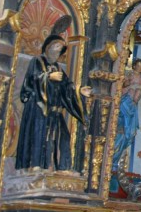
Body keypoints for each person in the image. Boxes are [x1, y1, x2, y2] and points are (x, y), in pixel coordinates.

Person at [15, 35, 92, 171]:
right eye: (56, 46)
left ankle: (60, 168)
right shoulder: (37, 61)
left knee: (63, 137)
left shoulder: (57, 67)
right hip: (38, 107)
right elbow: (32, 79)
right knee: (39, 134)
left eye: (60, 48)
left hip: (54, 111)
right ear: (48, 47)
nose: (58, 50)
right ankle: (35, 165)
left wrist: (79, 90)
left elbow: (66, 85)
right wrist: (48, 76)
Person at [111, 58, 141, 171]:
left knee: (130, 133)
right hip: (125, 101)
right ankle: (112, 159)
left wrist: (137, 95)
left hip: (132, 104)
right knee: (120, 129)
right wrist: (131, 86)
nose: (140, 69)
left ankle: (115, 160)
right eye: (138, 66)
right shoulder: (129, 74)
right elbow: (123, 86)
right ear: (134, 66)